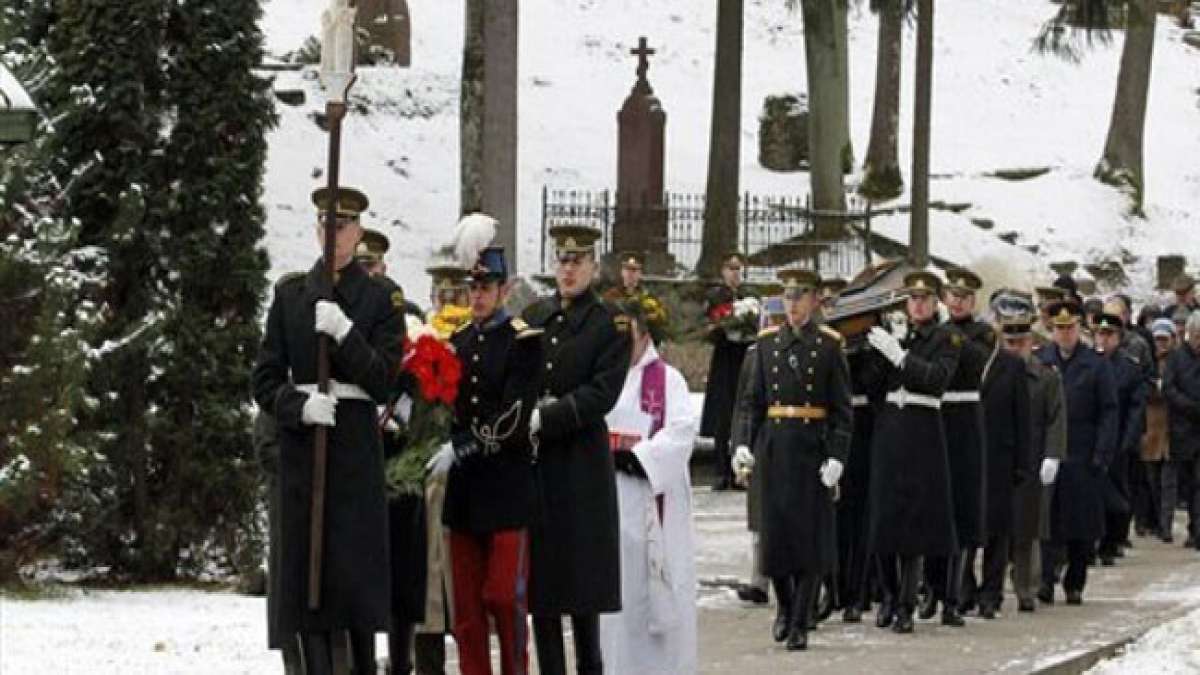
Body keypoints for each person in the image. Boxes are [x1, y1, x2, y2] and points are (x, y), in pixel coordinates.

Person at [251, 186, 402, 674]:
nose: (332, 236)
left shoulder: (379, 297)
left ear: (357, 232)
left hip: (354, 454)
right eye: (325, 226)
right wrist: (297, 407)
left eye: (342, 227)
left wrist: (345, 334)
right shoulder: (291, 293)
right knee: (306, 595)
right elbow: (265, 379)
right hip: (304, 454)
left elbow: (384, 380)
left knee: (352, 591)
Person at [430, 226, 542, 675]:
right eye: (472, 288)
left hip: (507, 489)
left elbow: (515, 417)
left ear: (505, 289)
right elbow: (442, 404)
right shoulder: (457, 342)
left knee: (503, 596)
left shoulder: (523, 342)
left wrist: (466, 445)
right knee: (467, 617)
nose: (477, 296)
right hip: (465, 495)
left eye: (486, 287)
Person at [524, 223, 629, 675]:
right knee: (542, 598)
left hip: (581, 468)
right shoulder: (533, 316)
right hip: (538, 468)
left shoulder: (610, 324)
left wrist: (547, 416)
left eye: (577, 261)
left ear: (594, 266)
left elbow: (601, 393)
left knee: (584, 597)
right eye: (562, 261)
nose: (567, 270)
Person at [733, 268, 853, 650]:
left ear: (815, 299)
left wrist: (837, 456)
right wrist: (742, 444)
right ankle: (785, 605)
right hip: (775, 447)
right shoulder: (768, 343)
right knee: (776, 537)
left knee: (810, 540)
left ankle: (801, 619)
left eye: (801, 296)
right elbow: (753, 402)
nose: (794, 303)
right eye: (788, 296)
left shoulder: (830, 346)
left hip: (811, 448)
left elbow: (841, 411)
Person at [599, 297, 699, 673]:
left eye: (630, 338)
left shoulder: (667, 380)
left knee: (658, 597)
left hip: (654, 504)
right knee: (617, 607)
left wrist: (640, 457)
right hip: (610, 503)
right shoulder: (603, 378)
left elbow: (682, 432)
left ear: (643, 336)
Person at [861, 270, 960, 634]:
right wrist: (882, 352)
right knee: (883, 518)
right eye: (913, 299)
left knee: (915, 524)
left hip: (923, 433)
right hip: (890, 430)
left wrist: (901, 356)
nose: (918, 305)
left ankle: (906, 602)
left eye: (925, 299)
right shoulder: (894, 333)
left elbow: (936, 381)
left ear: (935, 304)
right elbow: (870, 385)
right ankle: (887, 595)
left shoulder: (947, 338)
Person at [1036, 301, 1118, 606]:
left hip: (1084, 451)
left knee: (1081, 525)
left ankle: (1075, 581)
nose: (1065, 334)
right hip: (1050, 450)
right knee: (1046, 519)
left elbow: (1109, 412)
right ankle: (1045, 579)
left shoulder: (1096, 365)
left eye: (1070, 328)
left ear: (1079, 328)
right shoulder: (1043, 360)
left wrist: (1103, 453)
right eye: (1059, 328)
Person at [923, 267, 987, 626]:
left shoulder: (981, 334)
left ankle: (957, 587)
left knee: (963, 508)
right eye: (952, 295)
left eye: (964, 296)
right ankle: (932, 586)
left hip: (965, 420)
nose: (957, 301)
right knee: (934, 508)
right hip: (937, 417)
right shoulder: (935, 333)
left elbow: (976, 360)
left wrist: (948, 338)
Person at [993, 294, 1065, 614]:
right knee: (993, 530)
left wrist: (1053, 454)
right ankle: (988, 588)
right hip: (997, 459)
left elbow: (1056, 417)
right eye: (1010, 341)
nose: (1016, 347)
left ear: (1031, 340)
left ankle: (1026, 588)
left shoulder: (1046, 376)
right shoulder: (990, 374)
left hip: (1030, 460)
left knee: (1027, 529)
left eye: (1021, 341)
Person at [970, 292, 1032, 619]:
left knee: (997, 529)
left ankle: (991, 592)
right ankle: (964, 587)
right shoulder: (967, 360)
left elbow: (1023, 417)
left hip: (1000, 456)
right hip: (969, 454)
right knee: (968, 525)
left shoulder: (1012, 365)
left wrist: (1023, 462)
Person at [732, 292, 788, 606]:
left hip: (786, 435)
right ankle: (760, 579)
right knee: (759, 513)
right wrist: (738, 443)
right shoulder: (756, 353)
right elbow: (744, 404)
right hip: (760, 439)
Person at [1093, 303, 1149, 566]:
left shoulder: (1129, 368)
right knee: (1091, 493)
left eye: (1109, 335)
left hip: (1119, 440)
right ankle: (1093, 540)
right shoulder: (1088, 364)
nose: (1103, 340)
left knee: (1118, 495)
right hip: (1091, 440)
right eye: (1100, 335)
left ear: (1118, 337)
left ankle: (1112, 541)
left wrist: (1128, 440)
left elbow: (1137, 408)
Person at [701, 252, 758, 491]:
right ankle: (721, 470)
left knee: (744, 410)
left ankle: (742, 470)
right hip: (725, 358)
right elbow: (707, 327)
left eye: (738, 268)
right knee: (723, 415)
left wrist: (748, 324)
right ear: (723, 271)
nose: (735, 273)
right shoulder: (715, 296)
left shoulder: (751, 295)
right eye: (730, 268)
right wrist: (724, 326)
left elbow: (760, 321)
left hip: (745, 357)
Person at [254, 408, 301, 675]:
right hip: (288, 506)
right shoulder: (276, 400)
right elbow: (267, 451)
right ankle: (293, 662)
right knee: (287, 585)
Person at [1162, 311, 1200, 550]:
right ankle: (1193, 527)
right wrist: (1189, 406)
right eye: (1197, 336)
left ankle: (1198, 531)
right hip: (1183, 430)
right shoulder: (1176, 358)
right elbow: (1169, 388)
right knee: (1187, 484)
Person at [1137, 319, 1175, 539]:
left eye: (1164, 339)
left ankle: (1165, 525)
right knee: (1151, 481)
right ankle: (1152, 520)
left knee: (1169, 482)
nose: (1161, 343)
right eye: (1157, 339)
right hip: (1150, 429)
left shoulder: (1178, 361)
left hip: (1172, 428)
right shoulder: (1147, 362)